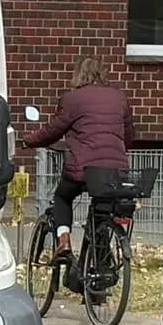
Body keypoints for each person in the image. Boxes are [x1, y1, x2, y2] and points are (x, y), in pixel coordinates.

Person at [22, 55, 136, 288]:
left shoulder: (72, 99)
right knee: (102, 210)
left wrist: (28, 141)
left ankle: (63, 241)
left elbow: (53, 130)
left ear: (78, 75)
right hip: (115, 171)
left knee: (62, 197)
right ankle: (99, 270)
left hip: (83, 169)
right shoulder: (119, 98)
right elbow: (129, 136)